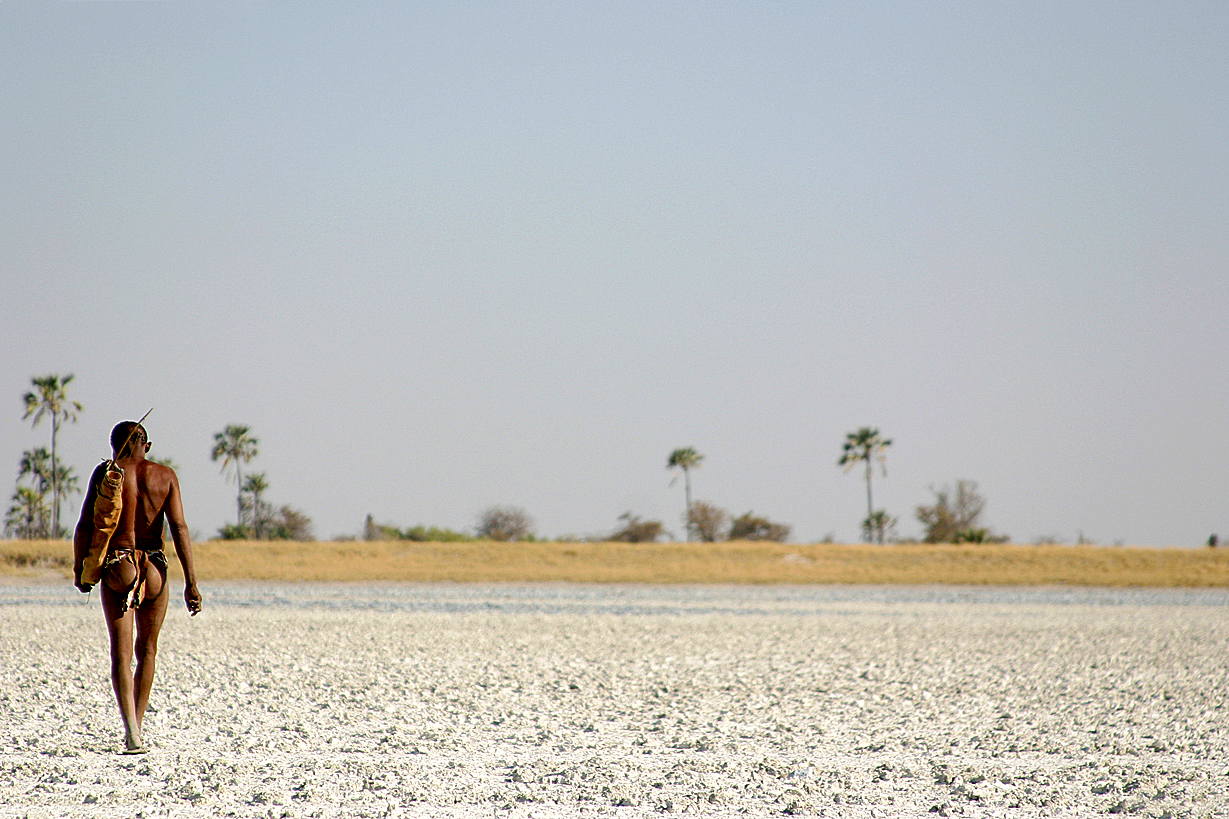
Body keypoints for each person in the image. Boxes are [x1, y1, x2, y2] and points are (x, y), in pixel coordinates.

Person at [73, 420, 202, 754]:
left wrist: (80, 569)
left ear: (117, 445)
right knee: (148, 650)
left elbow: (85, 525)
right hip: (155, 567)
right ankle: (139, 726)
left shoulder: (108, 472)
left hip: (120, 564)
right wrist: (191, 583)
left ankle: (131, 731)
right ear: (146, 444)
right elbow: (179, 527)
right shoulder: (166, 475)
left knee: (121, 653)